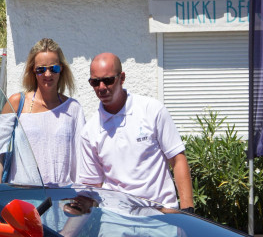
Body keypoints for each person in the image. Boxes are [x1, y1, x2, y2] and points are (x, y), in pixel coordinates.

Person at [77, 53, 193, 213]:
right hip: (117, 222)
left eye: (108, 80)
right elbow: (91, 185)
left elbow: (178, 160)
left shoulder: (151, 110)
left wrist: (187, 213)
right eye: (95, 82)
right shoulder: (90, 130)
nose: (101, 87)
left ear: (122, 78)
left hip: (161, 217)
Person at [0, 38, 85, 186]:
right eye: (41, 69)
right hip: (23, 198)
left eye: (54, 68)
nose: (47, 74)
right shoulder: (17, 102)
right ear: (33, 70)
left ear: (62, 69)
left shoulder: (73, 108)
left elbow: (81, 157)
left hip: (61, 198)